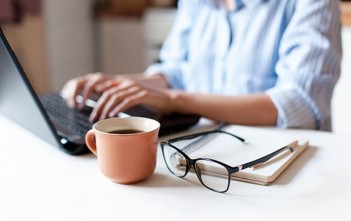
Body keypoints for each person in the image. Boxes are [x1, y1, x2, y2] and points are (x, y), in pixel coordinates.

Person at [61, 0, 342, 131]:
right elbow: (179, 70)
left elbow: (300, 104)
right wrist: (117, 86)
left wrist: (174, 100)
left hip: (279, 163)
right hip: (204, 153)